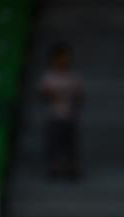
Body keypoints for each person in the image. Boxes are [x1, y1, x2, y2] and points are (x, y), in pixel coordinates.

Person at [39, 42, 83, 179]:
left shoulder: (73, 75)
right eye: (61, 57)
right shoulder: (49, 75)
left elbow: (79, 94)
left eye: (66, 57)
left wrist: (66, 95)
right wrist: (57, 94)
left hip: (69, 116)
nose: (63, 60)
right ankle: (53, 168)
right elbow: (44, 93)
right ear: (53, 59)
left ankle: (69, 168)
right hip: (54, 116)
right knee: (54, 144)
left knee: (69, 144)